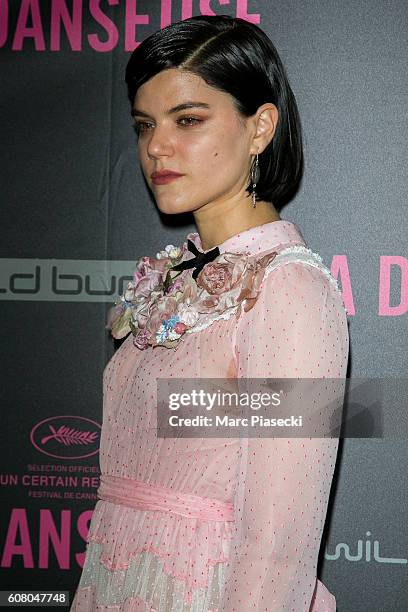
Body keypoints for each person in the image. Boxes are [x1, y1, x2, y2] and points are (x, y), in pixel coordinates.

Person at [71, 14, 349, 612]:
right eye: (145, 125)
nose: (155, 147)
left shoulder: (290, 291)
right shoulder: (170, 276)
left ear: (260, 127)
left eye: (188, 119)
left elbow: (279, 546)